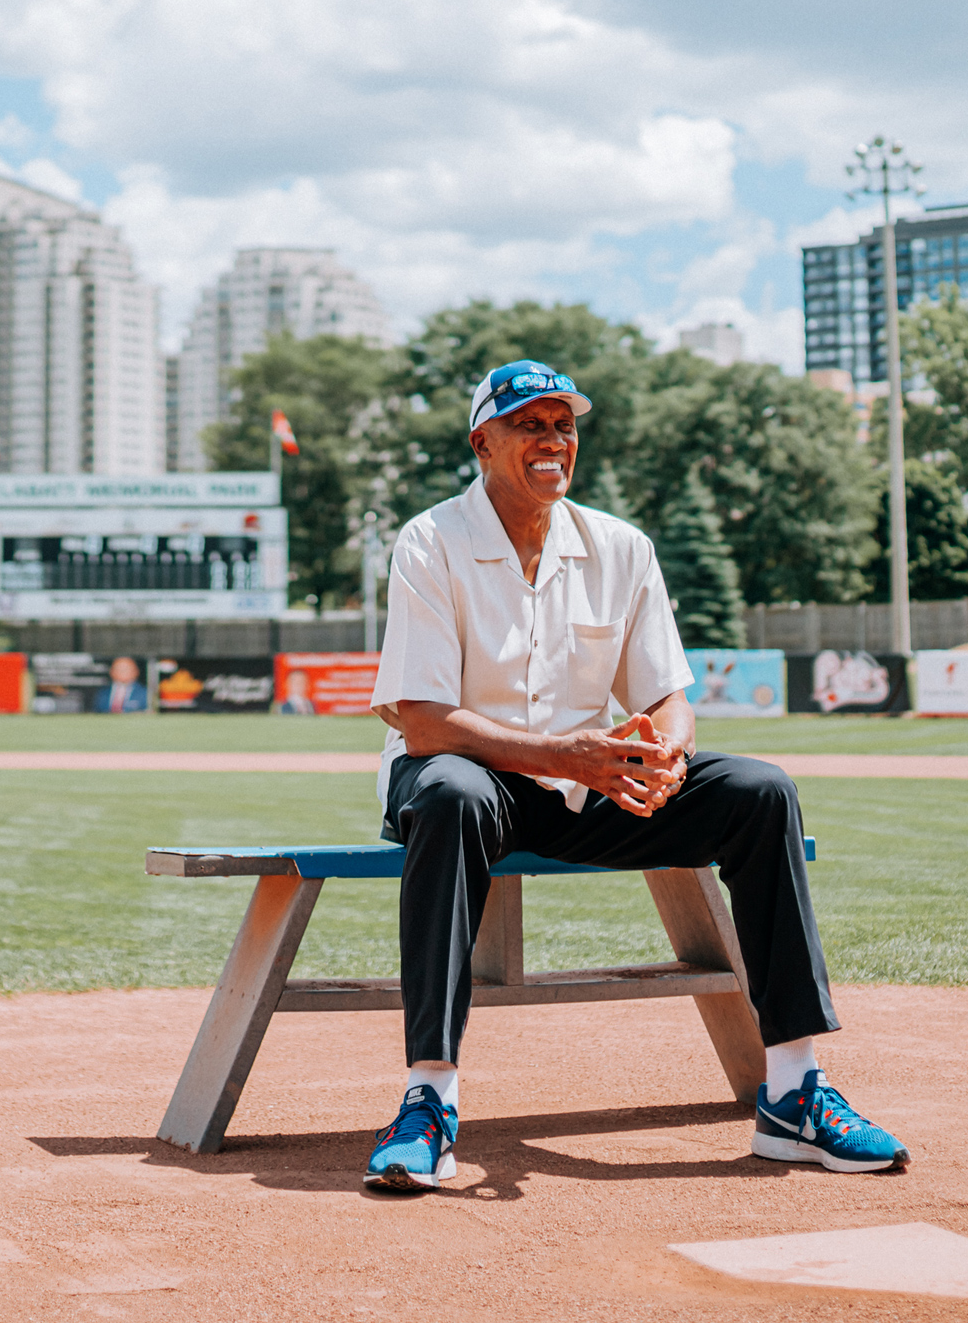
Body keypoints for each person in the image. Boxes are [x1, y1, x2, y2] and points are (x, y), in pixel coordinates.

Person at [361, 359, 910, 1192]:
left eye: (564, 425)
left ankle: (795, 1093)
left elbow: (666, 694)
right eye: (528, 425)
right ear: (482, 441)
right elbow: (425, 724)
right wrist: (567, 756)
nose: (552, 441)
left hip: (588, 788)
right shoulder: (430, 541)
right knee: (449, 792)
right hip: (471, 783)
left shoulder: (620, 546)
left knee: (759, 792)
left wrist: (666, 758)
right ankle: (428, 1102)